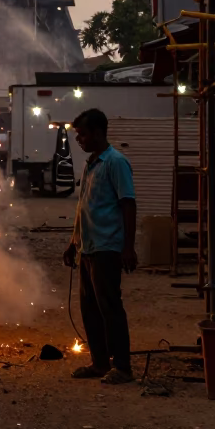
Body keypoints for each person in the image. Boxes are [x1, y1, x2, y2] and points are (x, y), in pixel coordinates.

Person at [63, 107, 137, 384]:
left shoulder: (115, 163)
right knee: (89, 309)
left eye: (82, 134)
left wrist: (127, 247)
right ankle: (99, 363)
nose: (79, 139)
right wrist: (73, 242)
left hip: (107, 247)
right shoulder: (91, 163)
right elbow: (84, 206)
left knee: (110, 308)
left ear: (98, 132)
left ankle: (122, 367)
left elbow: (128, 204)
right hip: (88, 248)